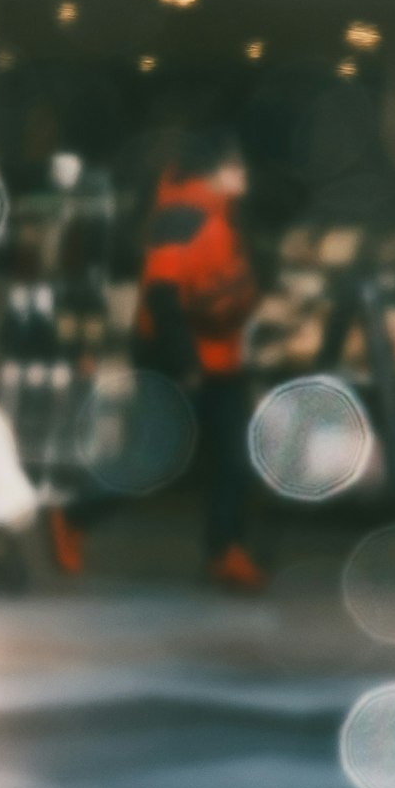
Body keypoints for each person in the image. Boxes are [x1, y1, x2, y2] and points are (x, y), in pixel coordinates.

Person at [142, 131, 268, 592]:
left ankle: (226, 553)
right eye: (238, 167)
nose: (245, 175)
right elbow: (161, 296)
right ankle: (74, 516)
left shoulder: (220, 216)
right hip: (190, 361)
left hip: (222, 360)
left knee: (234, 458)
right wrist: (186, 365)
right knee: (152, 458)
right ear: (214, 173)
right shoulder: (182, 216)